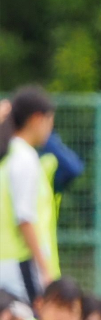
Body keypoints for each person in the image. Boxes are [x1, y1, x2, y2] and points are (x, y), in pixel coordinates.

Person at [0, 87, 59, 303]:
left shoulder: (7, 155)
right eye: (50, 120)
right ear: (36, 119)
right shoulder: (24, 158)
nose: (51, 128)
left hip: (6, 262)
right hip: (20, 264)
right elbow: (24, 218)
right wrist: (45, 269)